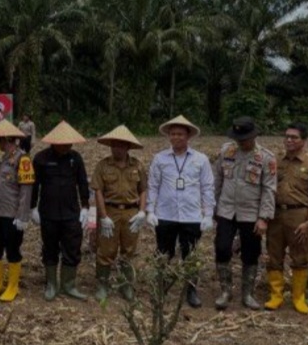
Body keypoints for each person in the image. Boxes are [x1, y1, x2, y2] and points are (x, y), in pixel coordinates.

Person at [146, 114, 214, 308]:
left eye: (180, 134)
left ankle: (190, 290)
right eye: (173, 134)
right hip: (165, 215)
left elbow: (207, 187)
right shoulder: (159, 159)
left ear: (188, 136)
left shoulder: (201, 160)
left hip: (191, 216)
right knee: (163, 252)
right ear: (169, 136)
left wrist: (208, 214)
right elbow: (153, 185)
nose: (176, 137)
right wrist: (150, 210)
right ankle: (161, 286)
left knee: (190, 255)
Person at [211, 116, 277, 311]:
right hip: (226, 209)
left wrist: (264, 218)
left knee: (251, 252)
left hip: (251, 212)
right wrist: (213, 207)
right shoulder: (226, 151)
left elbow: (269, 189)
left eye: (245, 139)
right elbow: (217, 179)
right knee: (222, 248)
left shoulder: (266, 157)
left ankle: (247, 293)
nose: (241, 142)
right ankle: (225, 291)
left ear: (254, 136)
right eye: (238, 139)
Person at [264, 122, 308, 315]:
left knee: (300, 256)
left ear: (304, 141)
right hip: (276, 214)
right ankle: (276, 295)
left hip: (299, 214)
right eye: (287, 136)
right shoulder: (276, 162)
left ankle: (298, 297)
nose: (289, 140)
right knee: (274, 255)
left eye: (294, 137)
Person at [30, 120, 91, 301]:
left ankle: (68, 285)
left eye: (69, 143)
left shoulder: (76, 159)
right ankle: (51, 284)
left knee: (72, 247)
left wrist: (86, 206)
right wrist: (32, 207)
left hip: (71, 212)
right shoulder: (41, 158)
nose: (66, 146)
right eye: (63, 144)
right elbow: (34, 185)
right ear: (54, 142)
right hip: (48, 213)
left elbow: (82, 183)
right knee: (49, 248)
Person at [90, 125, 147, 302]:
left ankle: (126, 286)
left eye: (122, 145)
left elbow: (143, 189)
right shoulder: (103, 166)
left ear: (128, 147)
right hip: (110, 212)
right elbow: (97, 190)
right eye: (115, 145)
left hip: (131, 213)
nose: (118, 148)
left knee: (129, 250)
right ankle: (102, 285)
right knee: (106, 250)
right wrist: (103, 216)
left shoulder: (137, 166)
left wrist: (142, 212)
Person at [0, 120, 34, 303]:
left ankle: (12, 286)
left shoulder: (23, 159)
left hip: (12, 215)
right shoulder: (4, 158)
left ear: (6, 140)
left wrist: (22, 215)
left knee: (12, 249)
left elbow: (26, 190)